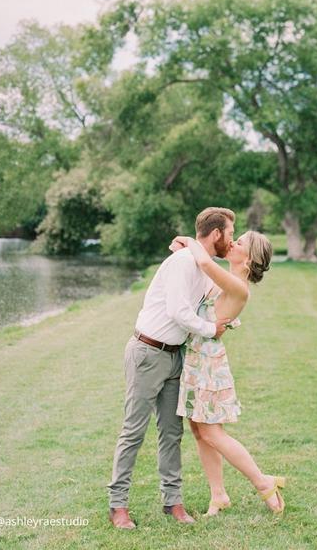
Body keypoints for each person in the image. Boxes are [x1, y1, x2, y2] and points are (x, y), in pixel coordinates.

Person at [107, 207, 235, 529]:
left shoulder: (203, 265)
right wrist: (211, 330)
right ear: (216, 233)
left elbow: (206, 305)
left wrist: (225, 319)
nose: (231, 239)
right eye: (230, 233)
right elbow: (179, 312)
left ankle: (173, 502)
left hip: (177, 356)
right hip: (148, 353)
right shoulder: (181, 263)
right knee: (134, 431)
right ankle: (117, 506)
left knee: (172, 433)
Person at [170, 230, 287, 517]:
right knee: (199, 431)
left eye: (240, 242)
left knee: (212, 432)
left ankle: (263, 483)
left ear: (249, 259)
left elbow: (205, 264)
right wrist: (182, 252)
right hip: (196, 359)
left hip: (208, 364)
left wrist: (189, 240)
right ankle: (218, 495)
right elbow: (198, 277)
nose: (233, 243)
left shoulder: (238, 286)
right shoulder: (225, 279)